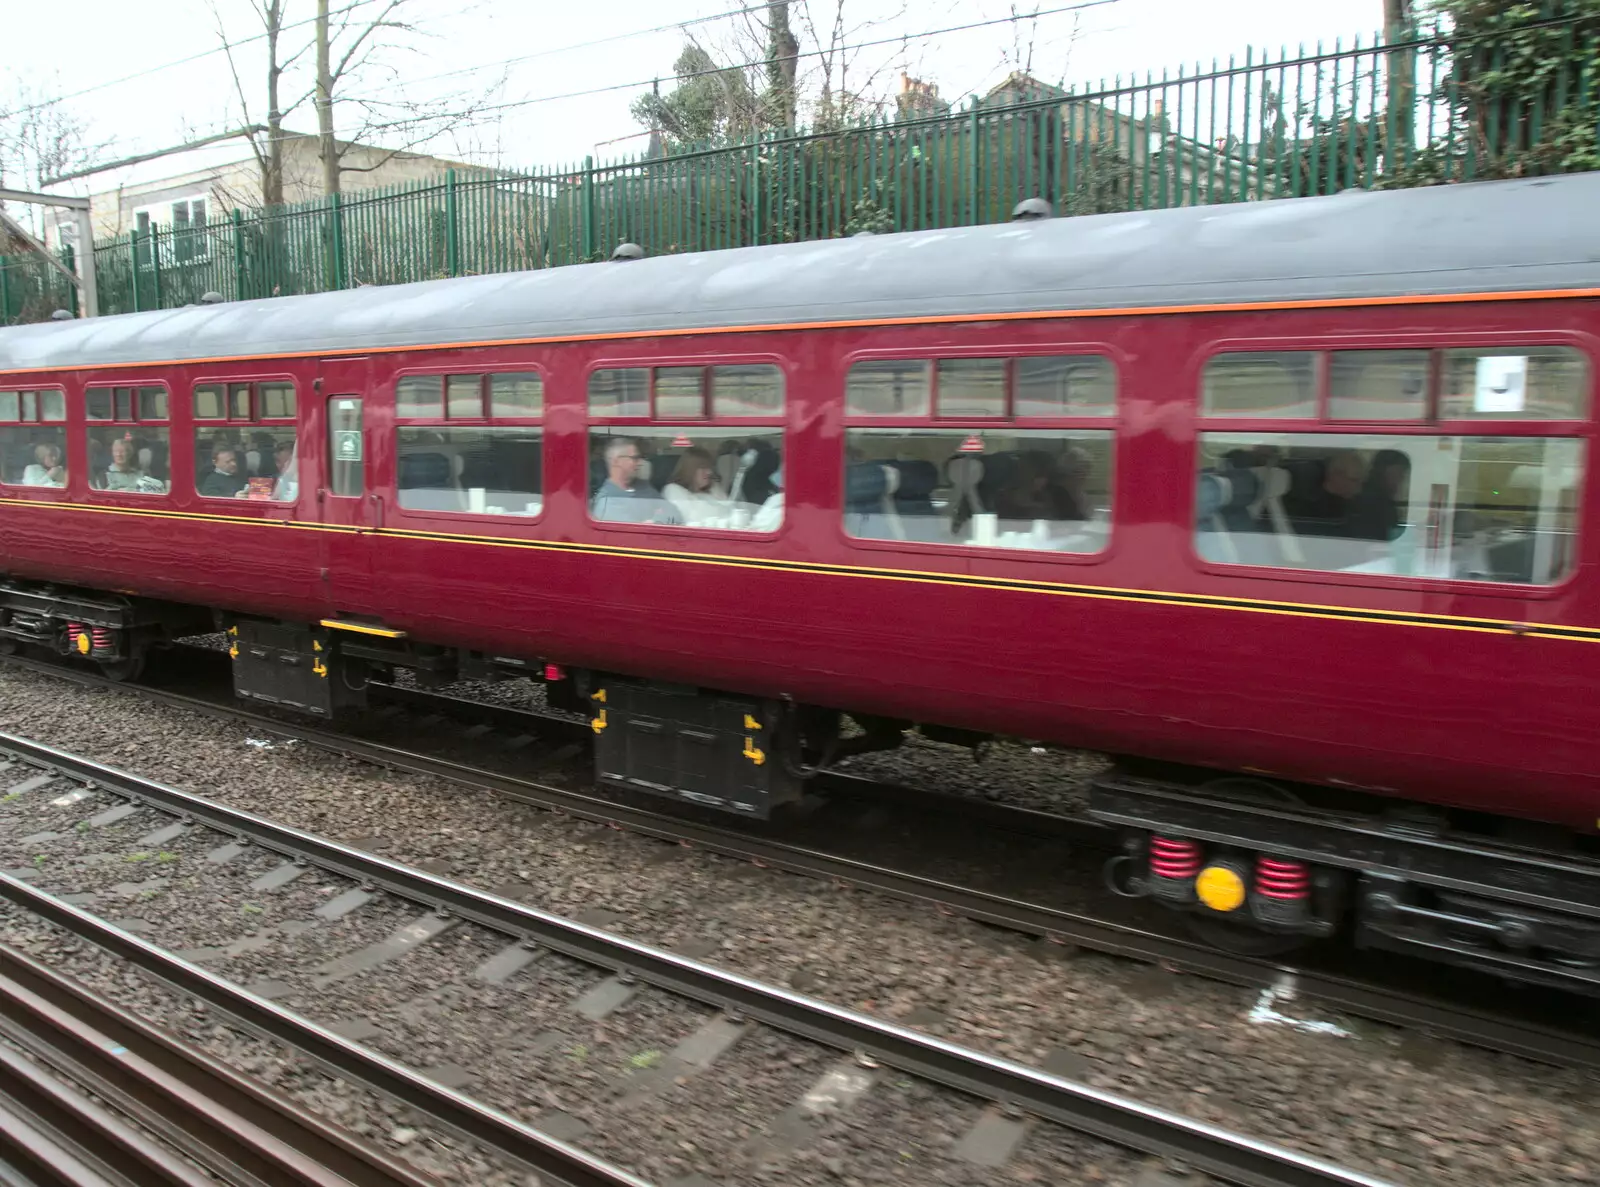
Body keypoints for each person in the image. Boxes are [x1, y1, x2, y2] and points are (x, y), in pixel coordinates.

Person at [591, 437, 682, 524]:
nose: (639, 463)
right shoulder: (607, 501)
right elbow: (637, 535)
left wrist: (654, 522)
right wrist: (658, 514)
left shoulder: (644, 486)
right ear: (616, 461)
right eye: (634, 458)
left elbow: (675, 514)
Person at [1343, 449, 1410, 542]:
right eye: (1398, 473)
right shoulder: (1371, 501)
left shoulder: (1383, 499)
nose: (1400, 479)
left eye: (1402, 474)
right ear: (1382, 471)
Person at [661, 447, 728, 524]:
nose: (709, 472)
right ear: (690, 469)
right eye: (703, 467)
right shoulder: (672, 490)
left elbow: (729, 511)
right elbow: (694, 518)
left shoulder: (714, 488)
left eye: (710, 468)